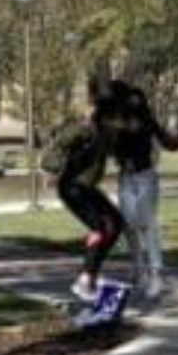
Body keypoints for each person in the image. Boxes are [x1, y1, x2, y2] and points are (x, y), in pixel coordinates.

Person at [53, 80, 126, 302]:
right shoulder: (86, 129)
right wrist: (83, 124)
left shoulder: (107, 132)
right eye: (114, 117)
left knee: (116, 223)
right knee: (101, 229)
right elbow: (60, 141)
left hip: (86, 188)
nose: (117, 121)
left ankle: (90, 275)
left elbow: (119, 146)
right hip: (72, 187)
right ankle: (85, 280)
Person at [109, 78, 178, 301]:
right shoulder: (117, 124)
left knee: (147, 224)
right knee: (129, 225)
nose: (133, 104)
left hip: (145, 177)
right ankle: (138, 269)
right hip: (125, 179)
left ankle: (156, 272)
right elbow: (111, 147)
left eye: (137, 101)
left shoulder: (148, 122)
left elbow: (168, 143)